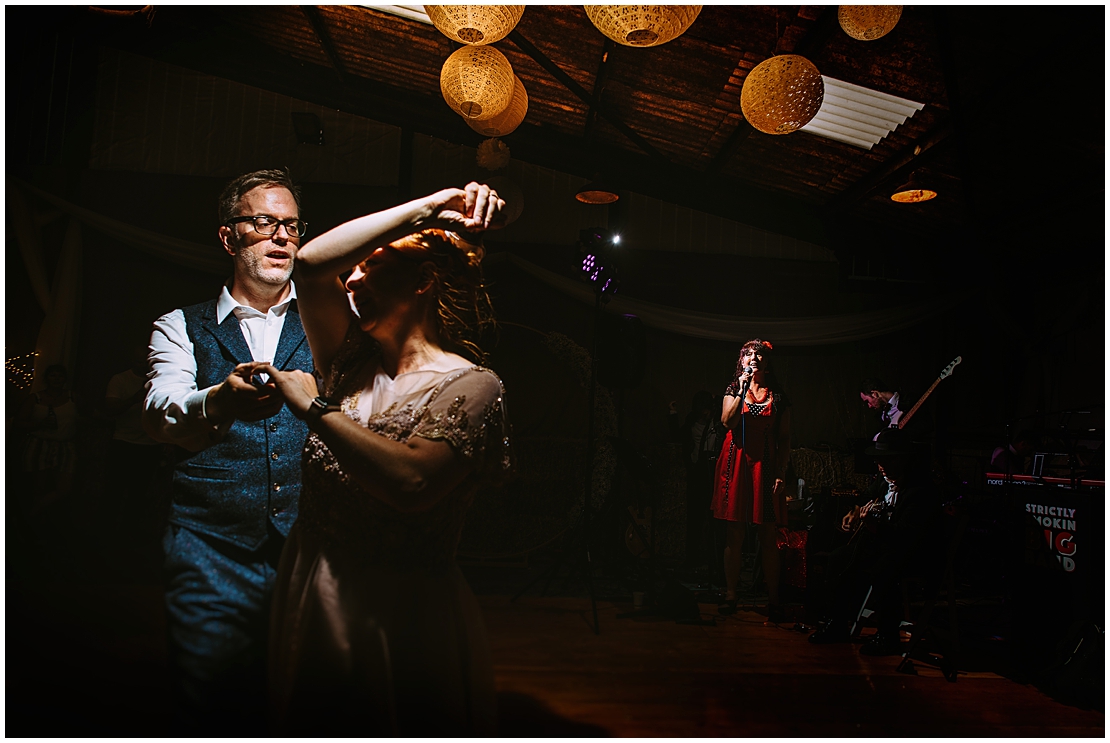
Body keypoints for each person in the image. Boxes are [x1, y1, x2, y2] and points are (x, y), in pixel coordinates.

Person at [254, 182, 513, 735]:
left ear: (422, 281)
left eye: (370, 267)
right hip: (313, 588)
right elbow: (311, 263)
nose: (351, 279)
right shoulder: (350, 360)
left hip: (402, 614)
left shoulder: (474, 385)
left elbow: (411, 483)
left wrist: (316, 409)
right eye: (355, 271)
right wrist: (428, 208)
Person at [143, 168, 315, 734]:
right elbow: (161, 411)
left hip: (314, 551)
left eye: (290, 225)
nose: (281, 236)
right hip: (209, 547)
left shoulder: (330, 324)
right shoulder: (179, 325)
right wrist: (220, 399)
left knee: (308, 705)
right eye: (264, 221)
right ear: (228, 236)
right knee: (213, 704)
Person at [808, 427, 941, 655]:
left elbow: (906, 535)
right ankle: (836, 623)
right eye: (879, 460)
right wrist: (855, 512)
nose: (880, 465)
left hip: (913, 552)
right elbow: (865, 497)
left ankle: (888, 636)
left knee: (884, 569)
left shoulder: (919, 490)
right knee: (839, 558)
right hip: (884, 544)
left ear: (902, 459)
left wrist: (874, 525)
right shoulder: (884, 479)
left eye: (886, 460)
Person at [711, 339, 791, 622]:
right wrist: (743, 387)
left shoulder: (777, 395)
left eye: (759, 355)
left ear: (766, 364)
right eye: (748, 354)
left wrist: (781, 471)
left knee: (767, 535)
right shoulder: (734, 389)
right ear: (741, 361)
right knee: (735, 533)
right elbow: (727, 422)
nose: (753, 358)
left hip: (765, 467)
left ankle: (774, 599)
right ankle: (731, 594)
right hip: (735, 463)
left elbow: (784, 438)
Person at [103, 341, 161, 521]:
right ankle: (107, 530)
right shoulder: (120, 380)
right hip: (123, 442)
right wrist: (134, 399)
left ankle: (131, 533)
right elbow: (111, 409)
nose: (143, 366)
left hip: (150, 445)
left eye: (146, 362)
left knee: (140, 494)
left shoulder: (160, 380)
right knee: (115, 490)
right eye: (139, 362)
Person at [17, 363, 79, 517]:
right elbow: (19, 422)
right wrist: (39, 424)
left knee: (64, 488)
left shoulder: (72, 397)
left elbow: (90, 413)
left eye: (60, 375)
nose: (57, 379)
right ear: (46, 378)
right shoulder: (36, 398)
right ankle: (34, 522)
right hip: (39, 445)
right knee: (39, 487)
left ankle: (32, 513)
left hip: (65, 446)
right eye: (53, 375)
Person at [675, 390, 723, 571]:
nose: (705, 414)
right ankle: (692, 559)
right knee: (694, 519)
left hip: (712, 474)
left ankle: (714, 562)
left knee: (713, 522)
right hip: (696, 473)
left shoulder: (717, 425)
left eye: (707, 410)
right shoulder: (691, 424)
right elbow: (678, 437)